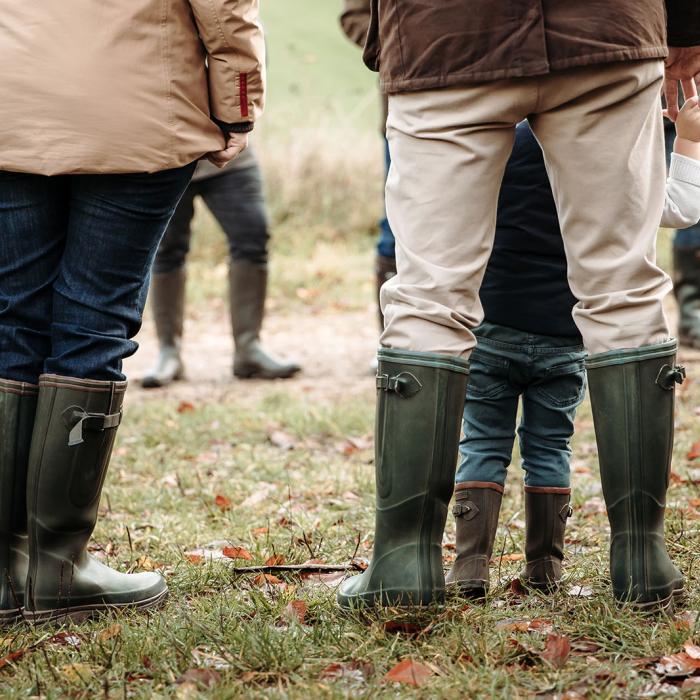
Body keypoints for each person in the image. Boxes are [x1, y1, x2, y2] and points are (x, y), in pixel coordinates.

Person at [338, 1, 700, 611]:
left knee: (429, 296)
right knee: (623, 289)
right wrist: (686, 28)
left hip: (446, 32)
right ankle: (642, 561)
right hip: (607, 27)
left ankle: (404, 566)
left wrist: (389, 33)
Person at [0, 0, 264, 624]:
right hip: (139, 100)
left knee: (11, 318)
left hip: (10, 94)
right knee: (94, 320)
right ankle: (59, 567)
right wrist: (235, 105)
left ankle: (5, 570)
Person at [448, 107, 700, 599]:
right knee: (550, 447)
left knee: (481, 443)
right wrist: (688, 139)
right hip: (567, 334)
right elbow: (681, 209)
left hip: (492, 325)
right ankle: (545, 569)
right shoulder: (604, 150)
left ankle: (470, 568)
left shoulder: (501, 142)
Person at [141, 150, 301, 387]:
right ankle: (168, 352)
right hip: (166, 157)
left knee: (253, 237)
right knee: (166, 249)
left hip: (231, 155)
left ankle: (248, 349)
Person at [339, 0, 396, 329]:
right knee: (398, 228)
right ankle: (391, 344)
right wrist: (405, 49)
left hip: (509, 108)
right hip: (408, 111)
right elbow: (355, 17)